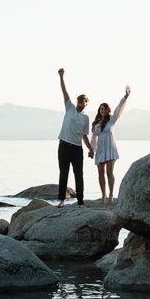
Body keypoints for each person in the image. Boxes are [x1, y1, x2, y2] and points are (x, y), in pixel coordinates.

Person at [57, 67, 94, 207]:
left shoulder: (85, 118)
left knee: (79, 175)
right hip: (64, 146)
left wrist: (90, 149)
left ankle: (80, 201)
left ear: (86, 104)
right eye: (79, 101)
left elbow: (84, 136)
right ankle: (61, 200)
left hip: (77, 149)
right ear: (77, 102)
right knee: (64, 173)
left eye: (83, 102)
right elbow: (64, 91)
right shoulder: (70, 108)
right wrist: (61, 77)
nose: (81, 104)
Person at [90, 86, 131, 203]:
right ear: (99, 111)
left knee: (109, 172)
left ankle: (111, 195)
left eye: (104, 109)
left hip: (110, 149)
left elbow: (119, 109)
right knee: (100, 173)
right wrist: (92, 150)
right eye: (101, 109)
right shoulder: (96, 124)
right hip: (100, 150)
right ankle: (103, 195)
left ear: (108, 111)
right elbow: (93, 138)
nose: (102, 111)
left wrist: (126, 96)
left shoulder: (111, 120)